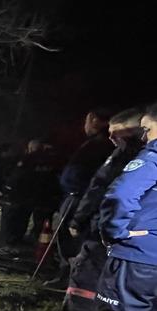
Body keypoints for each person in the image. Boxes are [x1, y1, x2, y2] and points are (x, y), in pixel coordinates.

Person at [67, 102, 157, 311]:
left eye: (146, 129)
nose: (144, 137)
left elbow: (119, 195)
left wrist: (114, 233)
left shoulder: (151, 158)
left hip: (137, 255)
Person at [56, 108, 145, 311]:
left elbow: (106, 191)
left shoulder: (134, 157)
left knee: (87, 277)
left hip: (108, 232)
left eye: (115, 133)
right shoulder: (124, 153)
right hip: (119, 233)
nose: (111, 138)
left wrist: (84, 220)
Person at [48, 109, 115, 286]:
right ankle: (64, 276)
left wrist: (80, 209)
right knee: (65, 239)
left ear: (94, 120)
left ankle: (70, 280)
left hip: (80, 199)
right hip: (74, 196)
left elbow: (96, 181)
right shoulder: (93, 143)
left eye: (86, 120)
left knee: (73, 241)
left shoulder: (103, 144)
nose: (84, 125)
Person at [0, 139, 61, 247]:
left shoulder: (27, 159)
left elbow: (16, 177)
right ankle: (19, 239)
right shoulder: (49, 161)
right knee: (23, 219)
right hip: (34, 197)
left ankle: (8, 242)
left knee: (11, 220)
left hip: (19, 195)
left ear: (30, 148)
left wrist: (6, 189)